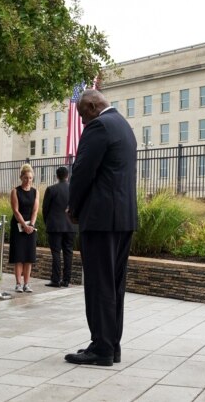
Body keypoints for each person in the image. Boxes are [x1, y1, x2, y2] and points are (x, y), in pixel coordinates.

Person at [64, 89, 138, 367]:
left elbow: (83, 170)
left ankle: (102, 348)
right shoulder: (123, 125)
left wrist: (73, 207)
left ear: (94, 106)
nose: (82, 122)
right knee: (114, 285)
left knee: (98, 284)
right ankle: (110, 345)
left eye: (83, 115)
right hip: (123, 219)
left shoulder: (99, 126)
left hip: (101, 219)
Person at [42, 166, 75, 288]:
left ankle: (55, 280)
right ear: (67, 176)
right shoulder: (73, 189)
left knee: (56, 253)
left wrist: (48, 222)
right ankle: (66, 280)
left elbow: (45, 209)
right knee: (68, 252)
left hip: (54, 225)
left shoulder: (51, 189)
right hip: (70, 226)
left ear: (57, 176)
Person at [9, 164, 39, 293]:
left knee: (29, 256)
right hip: (18, 225)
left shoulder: (35, 191)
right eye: (26, 177)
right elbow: (15, 210)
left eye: (30, 178)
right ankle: (18, 284)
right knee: (19, 256)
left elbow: (35, 210)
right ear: (21, 177)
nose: (28, 180)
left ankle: (27, 284)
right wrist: (24, 225)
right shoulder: (15, 191)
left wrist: (31, 225)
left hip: (30, 227)